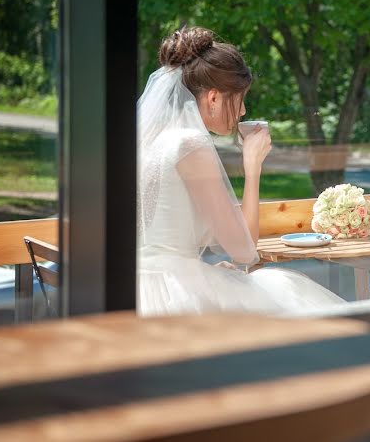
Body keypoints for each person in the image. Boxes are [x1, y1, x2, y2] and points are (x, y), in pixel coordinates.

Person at [137, 26, 344, 315]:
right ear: (213, 98)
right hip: (175, 293)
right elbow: (244, 252)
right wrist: (253, 166)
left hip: (141, 288)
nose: (243, 110)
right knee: (293, 296)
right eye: (239, 98)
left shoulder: (153, 139)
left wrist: (202, 271)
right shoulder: (189, 143)